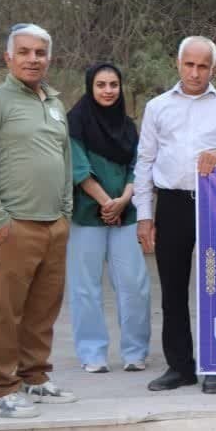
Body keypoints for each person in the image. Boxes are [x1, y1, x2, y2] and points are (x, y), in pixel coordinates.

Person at [0, 23, 76, 417]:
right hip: (13, 226)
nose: (33, 59)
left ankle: (35, 377)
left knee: (43, 308)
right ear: (8, 57)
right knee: (5, 310)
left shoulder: (54, 103)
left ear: (50, 58)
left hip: (53, 225)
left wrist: (65, 214)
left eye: (40, 53)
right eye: (24, 52)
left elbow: (64, 159)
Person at [135, 36, 216, 394]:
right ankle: (180, 367)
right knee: (172, 288)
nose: (195, 72)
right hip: (171, 204)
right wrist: (144, 215)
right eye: (189, 64)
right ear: (178, 63)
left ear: (214, 69)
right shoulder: (157, 107)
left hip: (215, 204)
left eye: (203, 66)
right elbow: (144, 162)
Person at [66, 62, 152, 374]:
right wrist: (106, 202)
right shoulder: (75, 121)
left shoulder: (128, 126)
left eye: (113, 85)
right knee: (85, 287)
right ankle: (92, 353)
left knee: (134, 285)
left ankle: (135, 351)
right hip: (87, 215)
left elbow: (138, 166)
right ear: (90, 87)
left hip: (125, 214)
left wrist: (124, 200)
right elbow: (78, 167)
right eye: (101, 85)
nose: (108, 91)